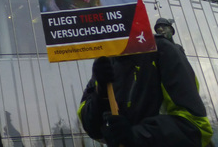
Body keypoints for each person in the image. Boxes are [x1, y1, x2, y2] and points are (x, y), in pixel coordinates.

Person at [78, 26, 213, 147]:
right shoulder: (105, 61)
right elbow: (91, 126)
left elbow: (196, 126)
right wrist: (100, 94)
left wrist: (137, 136)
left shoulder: (162, 50)